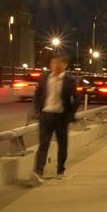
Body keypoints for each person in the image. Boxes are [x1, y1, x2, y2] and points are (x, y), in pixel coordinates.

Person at [32, 54, 78, 182]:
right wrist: (37, 110)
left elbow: (77, 98)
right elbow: (38, 94)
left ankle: (61, 170)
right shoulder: (45, 77)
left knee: (62, 144)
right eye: (53, 63)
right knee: (43, 144)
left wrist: (70, 114)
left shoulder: (70, 80)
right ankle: (38, 171)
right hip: (46, 115)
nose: (55, 66)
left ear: (64, 65)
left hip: (61, 116)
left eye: (58, 63)